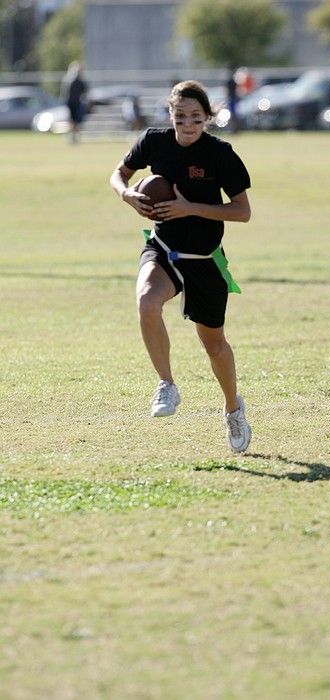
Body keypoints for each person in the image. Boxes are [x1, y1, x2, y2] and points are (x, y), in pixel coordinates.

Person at [110, 80, 252, 452]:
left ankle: (233, 408)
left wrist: (190, 207)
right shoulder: (155, 142)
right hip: (164, 247)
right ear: (170, 116)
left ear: (208, 117)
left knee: (214, 344)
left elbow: (242, 211)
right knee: (146, 301)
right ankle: (166, 384)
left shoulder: (221, 154)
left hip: (204, 258)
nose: (188, 125)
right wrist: (127, 194)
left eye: (195, 117)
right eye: (180, 117)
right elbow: (118, 174)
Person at [61, 61, 88, 143]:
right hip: (73, 103)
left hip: (73, 103)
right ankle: (74, 138)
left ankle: (74, 138)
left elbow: (85, 92)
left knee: (74, 121)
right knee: (74, 121)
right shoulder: (71, 80)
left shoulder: (70, 80)